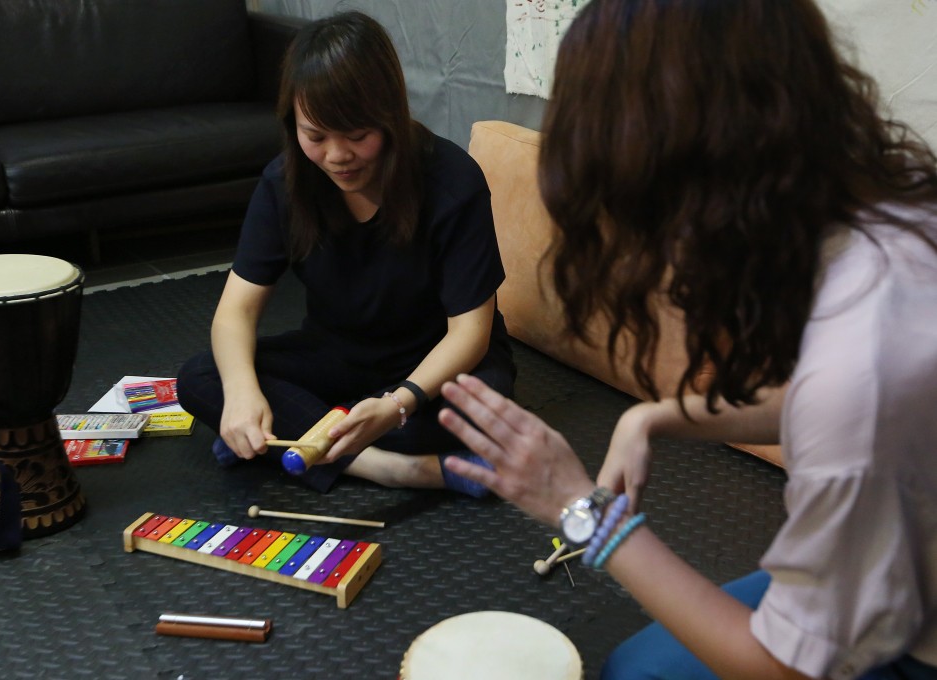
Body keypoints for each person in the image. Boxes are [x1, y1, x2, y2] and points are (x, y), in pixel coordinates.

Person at [438, 1, 937, 678]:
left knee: (631, 672)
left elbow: (775, 668)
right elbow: (841, 407)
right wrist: (659, 417)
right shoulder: (897, 213)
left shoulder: (862, 367)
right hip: (898, 570)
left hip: (913, 643)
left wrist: (579, 511)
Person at [177, 11, 515, 496]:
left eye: (357, 135)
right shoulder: (284, 183)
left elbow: (471, 333)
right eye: (315, 136)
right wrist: (241, 393)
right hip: (338, 359)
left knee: (487, 411)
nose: (337, 156)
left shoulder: (452, 180)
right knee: (204, 377)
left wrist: (399, 403)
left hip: (435, 364)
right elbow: (235, 312)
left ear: (390, 115)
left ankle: (293, 443)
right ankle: (398, 469)